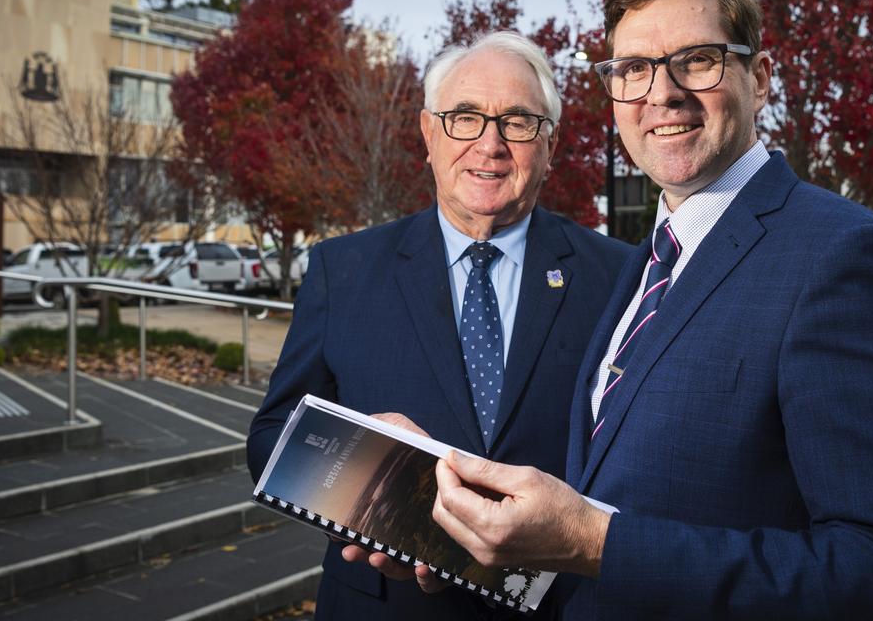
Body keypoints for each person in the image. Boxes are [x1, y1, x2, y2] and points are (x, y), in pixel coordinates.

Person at [428, 0, 873, 620]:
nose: (663, 92)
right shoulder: (642, 263)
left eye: (698, 60)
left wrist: (595, 543)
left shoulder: (849, 261)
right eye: (633, 68)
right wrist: (449, 514)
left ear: (762, 77)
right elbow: (619, 483)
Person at [247, 31, 631, 620]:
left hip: (560, 606)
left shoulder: (619, 277)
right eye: (465, 117)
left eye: (519, 121)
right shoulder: (342, 270)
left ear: (549, 145)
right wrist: (364, 481)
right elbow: (273, 435)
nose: (490, 144)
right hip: (385, 605)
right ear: (428, 134)